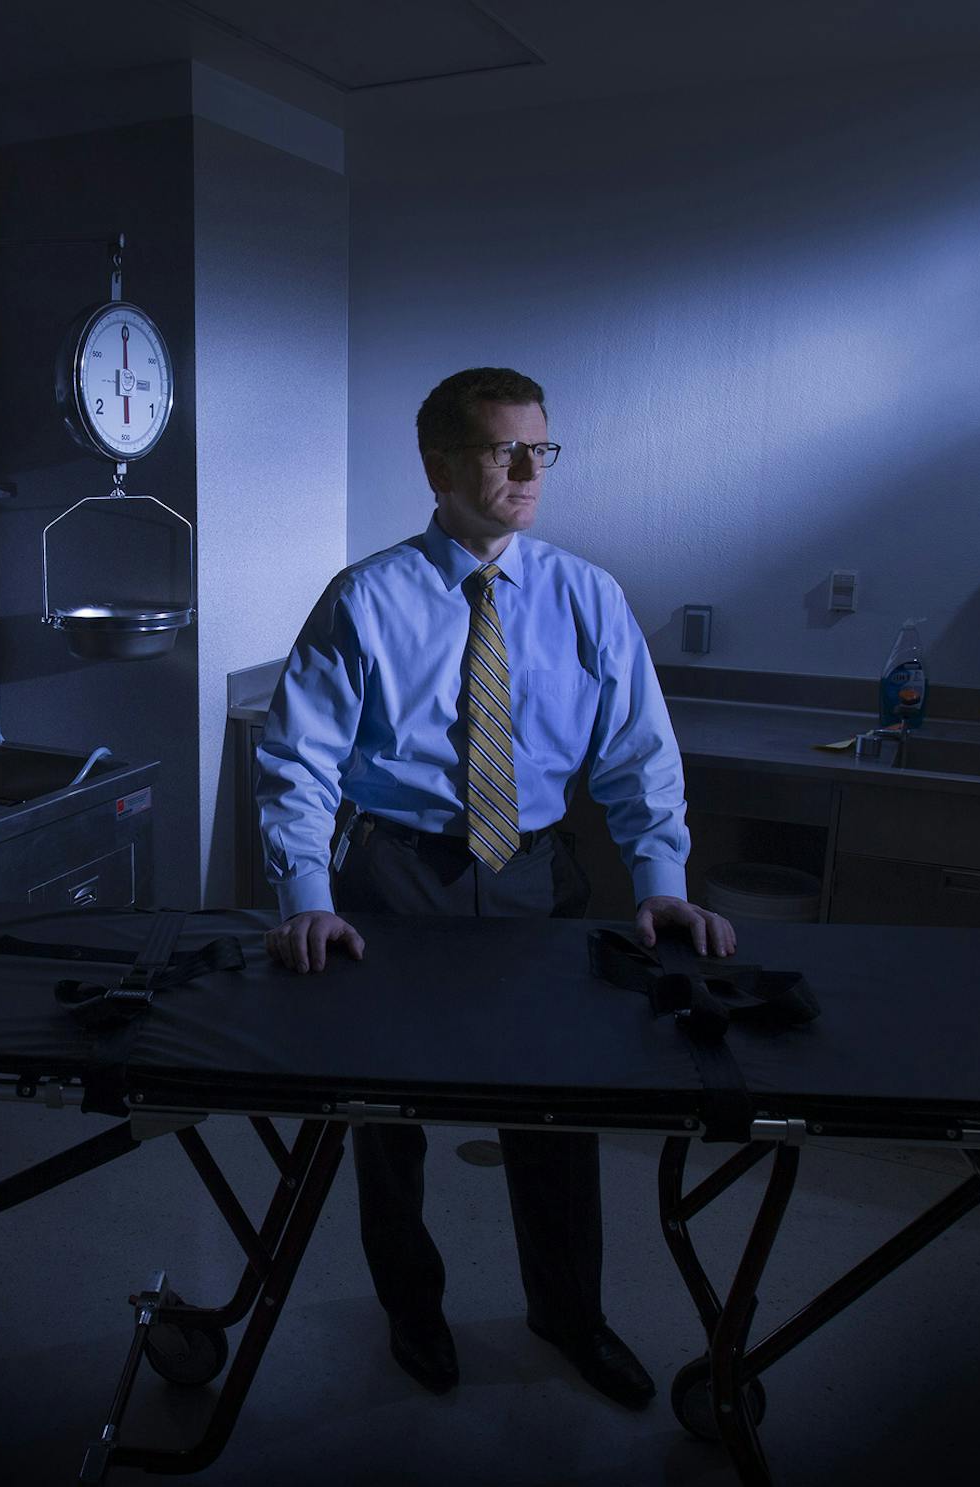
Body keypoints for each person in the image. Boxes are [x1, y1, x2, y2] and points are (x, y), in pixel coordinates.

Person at [253, 366, 736, 1406]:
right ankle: (412, 1313)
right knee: (386, 1121)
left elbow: (640, 758)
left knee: (556, 1113)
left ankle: (569, 1314)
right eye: (501, 449)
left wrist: (659, 878)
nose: (526, 470)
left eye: (540, 449)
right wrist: (305, 893)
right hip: (394, 876)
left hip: (536, 880)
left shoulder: (586, 596)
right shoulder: (366, 598)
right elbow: (298, 763)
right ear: (439, 465)